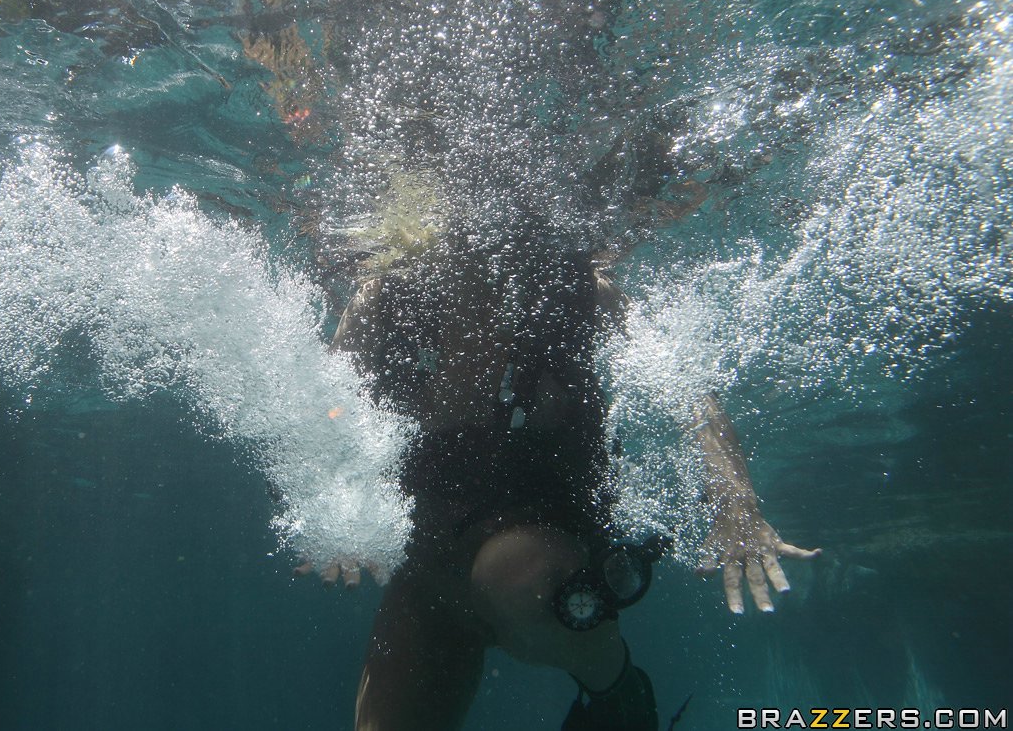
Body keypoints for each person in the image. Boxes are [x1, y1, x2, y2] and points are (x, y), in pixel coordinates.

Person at [297, 220, 820, 731]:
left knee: (514, 571)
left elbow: (688, 392)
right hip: (429, 566)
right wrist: (338, 511)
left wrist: (736, 506)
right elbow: (326, 407)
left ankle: (616, 690)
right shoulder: (381, 296)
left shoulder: (580, 287)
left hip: (543, 550)